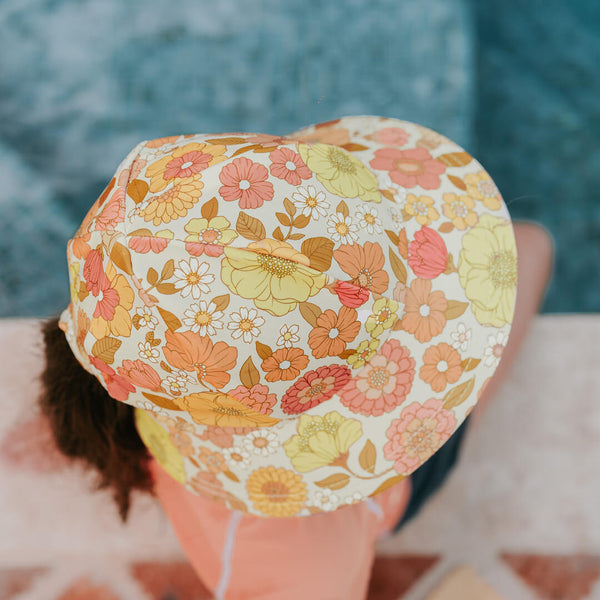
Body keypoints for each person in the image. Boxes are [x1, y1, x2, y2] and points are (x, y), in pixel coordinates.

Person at [37, 115, 553, 599]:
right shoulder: (301, 572)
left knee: (529, 247)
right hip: (383, 493)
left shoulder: (138, 327)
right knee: (529, 246)